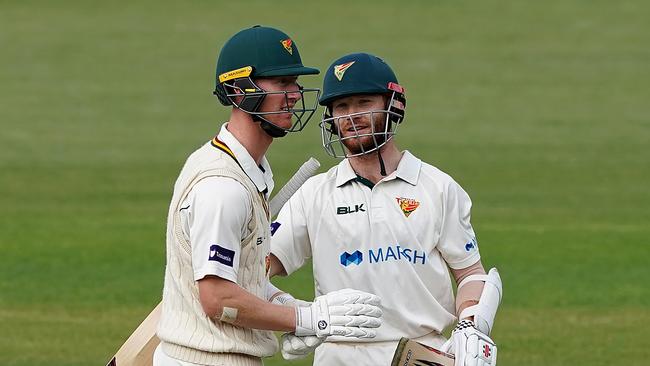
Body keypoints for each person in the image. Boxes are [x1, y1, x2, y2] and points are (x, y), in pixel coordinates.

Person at [155, 28, 383, 366]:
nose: (294, 94)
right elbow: (217, 298)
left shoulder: (245, 168)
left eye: (294, 82)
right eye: (282, 83)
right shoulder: (223, 187)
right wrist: (305, 321)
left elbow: (244, 275)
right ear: (238, 90)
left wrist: (290, 306)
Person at [269, 52, 503, 365]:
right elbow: (256, 269)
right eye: (341, 107)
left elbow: (471, 274)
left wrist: (469, 327)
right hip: (340, 355)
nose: (351, 116)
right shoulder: (313, 194)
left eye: (364, 103)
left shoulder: (438, 187)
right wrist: (296, 315)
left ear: (394, 105)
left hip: (423, 354)